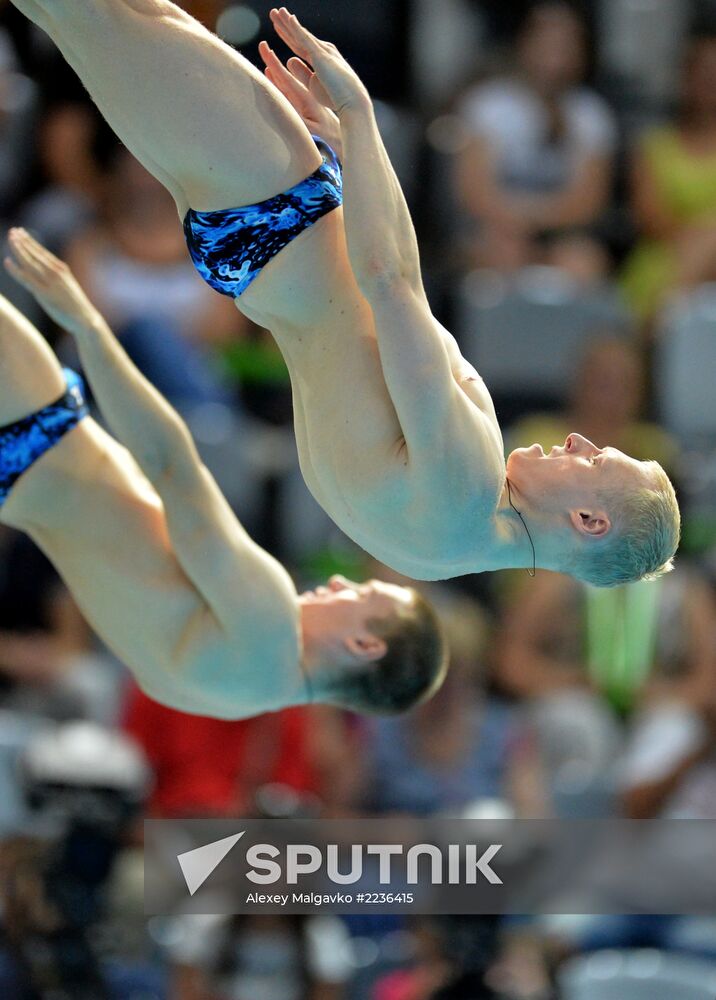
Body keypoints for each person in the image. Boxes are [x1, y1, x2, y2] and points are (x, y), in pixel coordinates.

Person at [7, 0, 679, 586]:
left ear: (588, 520)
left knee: (107, 14)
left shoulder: (470, 486)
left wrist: (360, 121)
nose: (578, 439)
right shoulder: (436, 555)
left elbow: (393, 286)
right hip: (262, 258)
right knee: (91, 18)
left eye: (597, 459)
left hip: (280, 209)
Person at [0, 227, 447, 719]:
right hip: (25, 482)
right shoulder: (228, 702)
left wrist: (87, 325)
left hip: (38, 432)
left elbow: (173, 468)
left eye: (362, 595)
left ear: (364, 644)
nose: (342, 582)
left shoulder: (269, 624)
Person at [622, 29, 716, 322]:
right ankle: (664, 330)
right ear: (685, 77)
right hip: (663, 260)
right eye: (702, 71)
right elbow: (652, 219)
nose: (709, 80)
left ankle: (661, 331)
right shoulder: (654, 144)